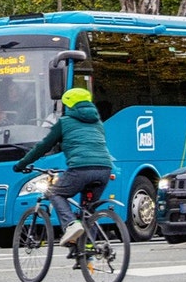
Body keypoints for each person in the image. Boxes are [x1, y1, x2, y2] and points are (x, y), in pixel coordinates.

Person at [13, 87, 115, 245]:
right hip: (104, 169)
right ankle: (88, 249)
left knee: (55, 193)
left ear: (69, 105)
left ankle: (71, 224)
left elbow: (44, 146)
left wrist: (22, 164)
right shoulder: (97, 123)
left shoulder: (64, 122)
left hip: (81, 168)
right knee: (88, 210)